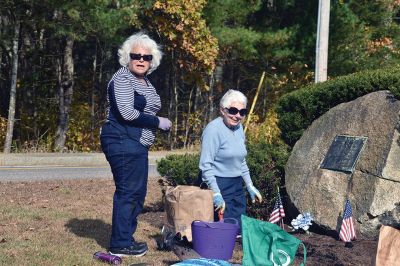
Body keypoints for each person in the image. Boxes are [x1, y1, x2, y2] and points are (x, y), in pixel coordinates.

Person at [100, 32, 172, 257]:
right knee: (129, 192)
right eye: (136, 55)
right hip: (121, 140)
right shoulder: (122, 78)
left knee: (136, 192)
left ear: (153, 61)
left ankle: (125, 239)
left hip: (135, 143)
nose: (141, 60)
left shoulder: (145, 81)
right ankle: (120, 244)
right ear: (127, 57)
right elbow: (128, 113)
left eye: (146, 57)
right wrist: (157, 121)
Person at [199, 89, 262, 228]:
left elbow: (241, 161)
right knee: (222, 230)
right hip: (218, 183)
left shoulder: (239, 128)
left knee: (237, 228)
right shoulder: (213, 130)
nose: (237, 116)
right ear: (222, 110)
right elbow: (205, 165)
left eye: (242, 112)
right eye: (233, 111)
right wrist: (215, 193)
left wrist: (249, 184)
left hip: (236, 184)